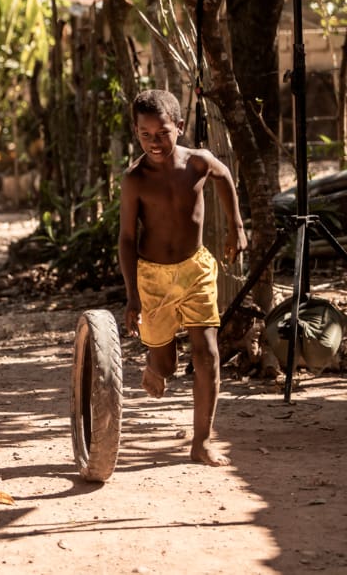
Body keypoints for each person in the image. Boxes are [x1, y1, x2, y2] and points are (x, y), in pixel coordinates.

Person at [119, 89, 247, 467]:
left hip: (195, 270)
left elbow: (224, 176)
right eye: (146, 135)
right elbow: (126, 239)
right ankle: (155, 365)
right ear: (136, 132)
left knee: (207, 353)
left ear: (179, 126)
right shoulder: (135, 179)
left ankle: (201, 442)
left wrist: (236, 227)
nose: (155, 142)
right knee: (167, 366)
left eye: (163, 133)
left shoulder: (198, 162)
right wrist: (132, 296)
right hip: (153, 277)